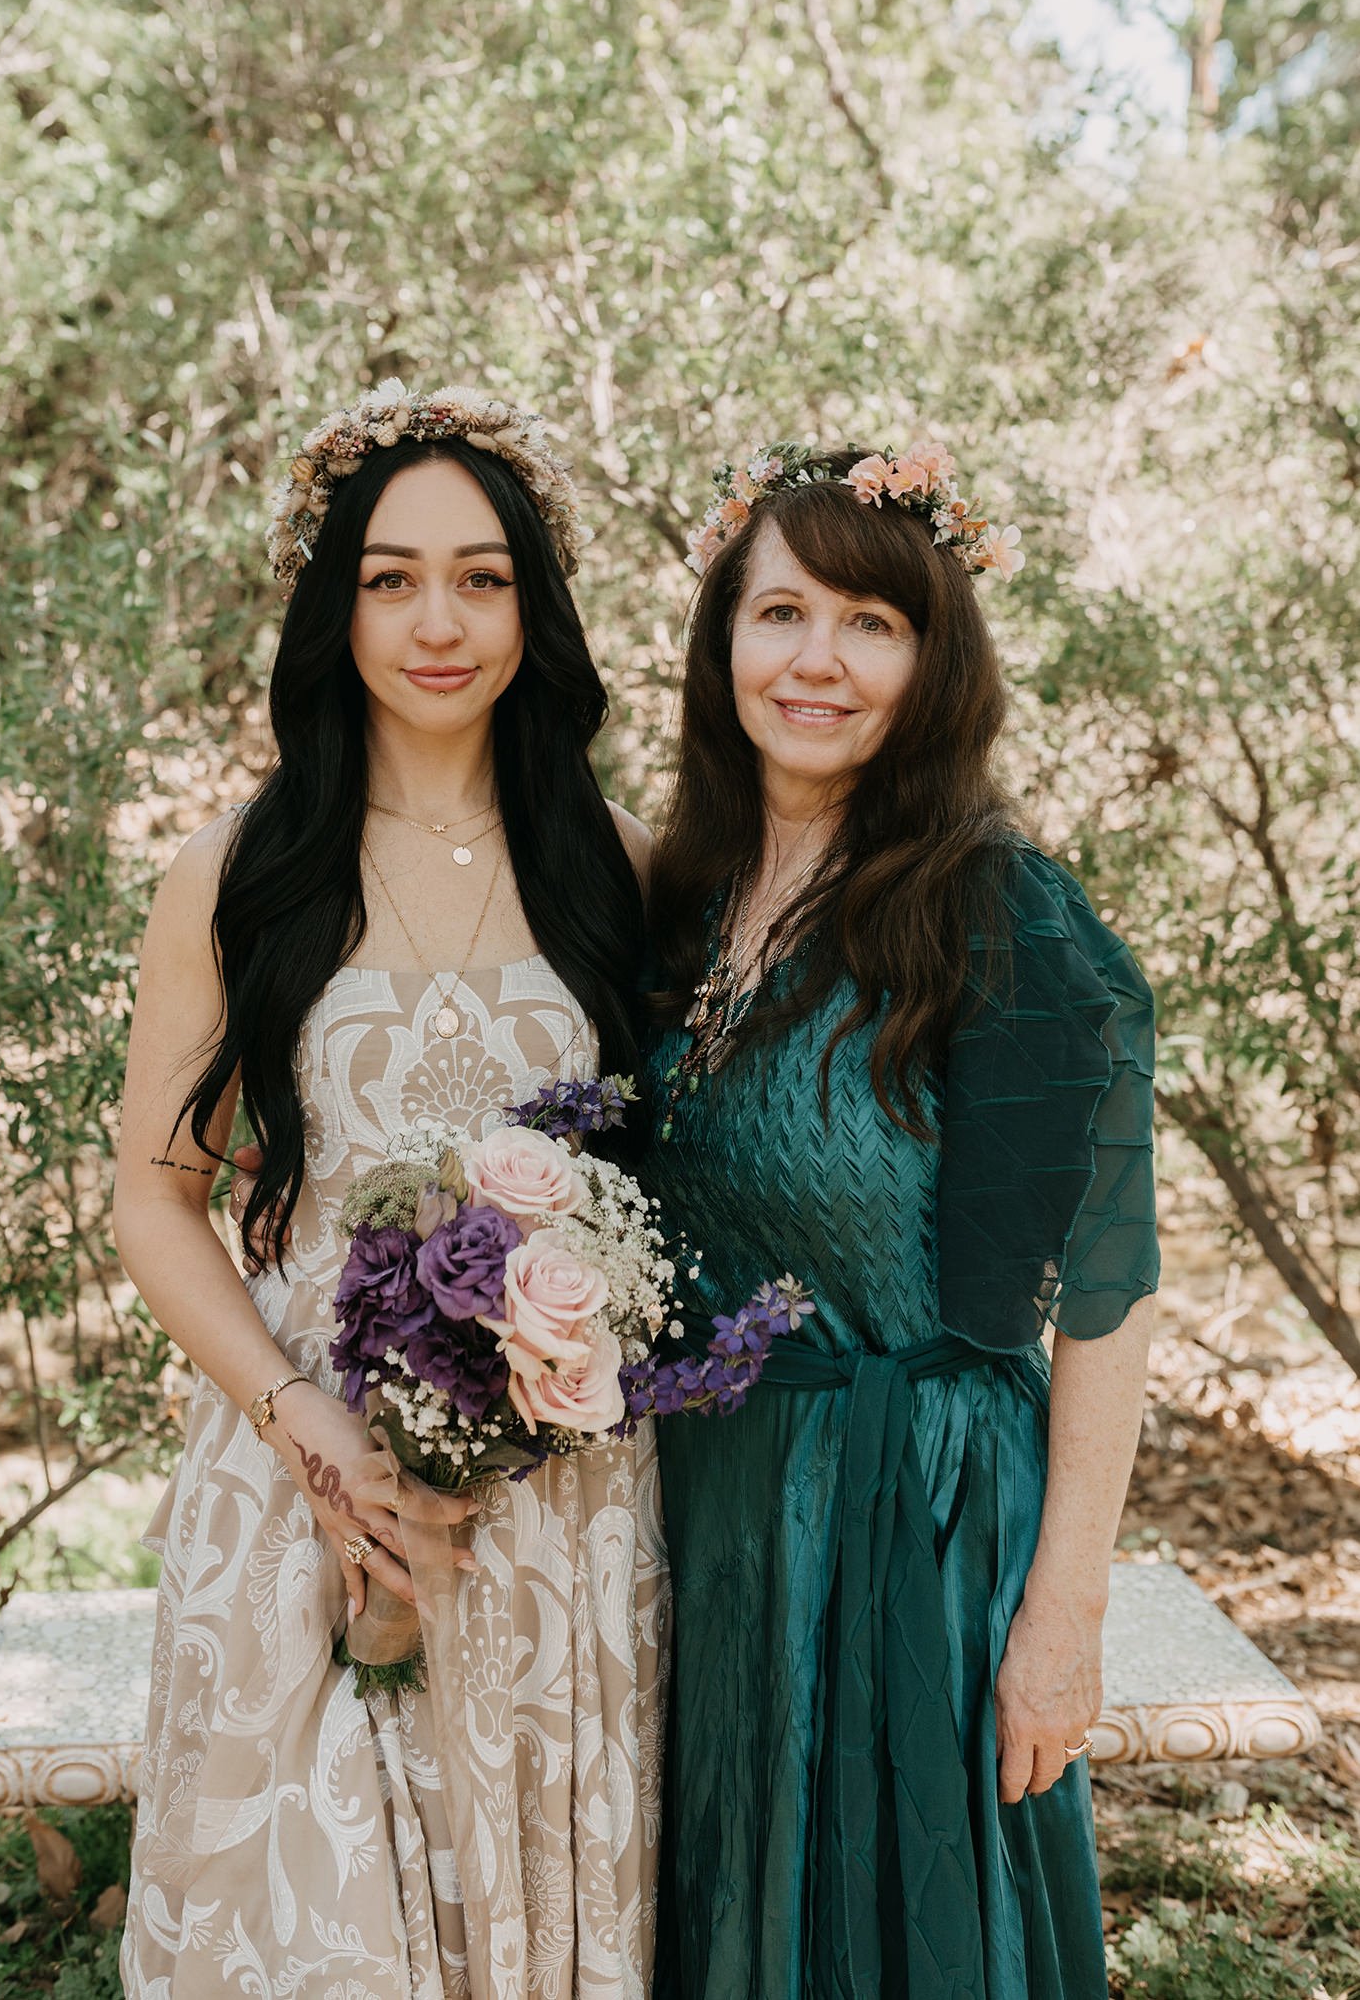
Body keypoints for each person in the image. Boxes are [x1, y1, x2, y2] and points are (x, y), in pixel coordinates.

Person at [113, 382, 666, 2000]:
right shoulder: (240, 869)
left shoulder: (617, 863)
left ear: (533, 604)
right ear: (333, 602)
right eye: (392, 575)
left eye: (484, 577)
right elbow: (157, 1199)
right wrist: (315, 1430)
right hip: (307, 1488)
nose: (441, 620)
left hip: (564, 1508)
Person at [641, 443, 1159, 2000]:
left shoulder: (999, 910)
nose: (817, 659)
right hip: (704, 1510)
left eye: (870, 621)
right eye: (780, 610)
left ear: (932, 661)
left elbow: (1109, 1290)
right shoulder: (675, 894)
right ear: (721, 639)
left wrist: (1060, 1609)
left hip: (924, 1527)